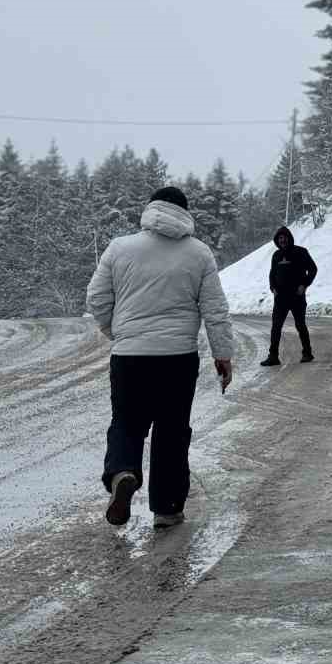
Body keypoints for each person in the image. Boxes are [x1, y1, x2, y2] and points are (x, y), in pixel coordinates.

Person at [86, 185, 235, 530]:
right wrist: (223, 354)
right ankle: (167, 509)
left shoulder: (119, 248)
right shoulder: (198, 253)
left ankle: (123, 471)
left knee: (126, 421)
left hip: (129, 356)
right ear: (185, 213)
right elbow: (215, 310)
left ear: (150, 209)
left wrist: (118, 331)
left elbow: (96, 297)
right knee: (171, 431)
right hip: (177, 358)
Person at [262, 225, 317, 367]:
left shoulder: (301, 252)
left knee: (300, 325)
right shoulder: (276, 256)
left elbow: (313, 269)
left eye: (284, 237)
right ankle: (273, 356)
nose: (282, 240)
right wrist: (272, 288)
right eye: (280, 238)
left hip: (297, 297)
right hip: (280, 298)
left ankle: (307, 353)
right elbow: (272, 274)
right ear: (277, 240)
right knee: (276, 327)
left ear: (289, 238)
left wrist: (304, 285)